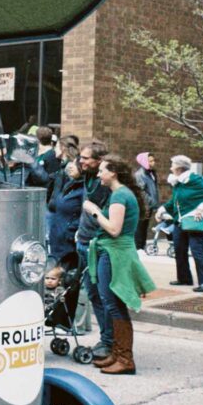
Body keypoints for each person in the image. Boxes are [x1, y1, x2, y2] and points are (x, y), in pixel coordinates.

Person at [82, 155, 155, 374]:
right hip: (114, 252)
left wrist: (93, 210)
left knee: (113, 303)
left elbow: (114, 229)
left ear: (113, 172)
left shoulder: (120, 195)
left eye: (102, 170)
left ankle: (125, 359)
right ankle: (117, 354)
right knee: (110, 302)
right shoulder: (122, 194)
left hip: (115, 253)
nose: (98, 174)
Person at [158, 155, 203, 292]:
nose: (170, 167)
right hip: (180, 221)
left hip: (193, 220)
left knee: (197, 251)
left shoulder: (194, 179)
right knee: (179, 249)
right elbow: (174, 201)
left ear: (179, 168)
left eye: (172, 165)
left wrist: (200, 209)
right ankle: (184, 278)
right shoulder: (178, 182)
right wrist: (161, 210)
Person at [76, 142, 112, 353]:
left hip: (98, 245)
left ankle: (110, 342)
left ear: (99, 161)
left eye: (86, 158)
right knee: (93, 294)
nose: (81, 161)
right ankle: (105, 339)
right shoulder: (87, 178)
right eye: (80, 157)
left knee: (105, 295)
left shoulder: (104, 184)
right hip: (83, 242)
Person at [48, 160, 85, 267]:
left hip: (68, 242)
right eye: (71, 163)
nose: (71, 166)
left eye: (76, 164)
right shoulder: (69, 184)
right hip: (57, 236)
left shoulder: (82, 189)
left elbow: (84, 214)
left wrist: (70, 230)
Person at [134, 152, 159, 250]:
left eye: (153, 161)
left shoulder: (152, 173)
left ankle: (142, 245)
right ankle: (138, 246)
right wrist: (151, 201)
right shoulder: (140, 174)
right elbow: (141, 192)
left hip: (150, 205)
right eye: (150, 161)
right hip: (143, 205)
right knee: (140, 226)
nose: (153, 163)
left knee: (145, 226)